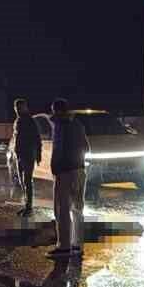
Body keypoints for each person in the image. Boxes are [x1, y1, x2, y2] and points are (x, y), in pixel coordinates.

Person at [49, 99, 89, 257]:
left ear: (57, 110)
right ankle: (77, 244)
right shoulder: (78, 124)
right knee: (77, 208)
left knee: (62, 209)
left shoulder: (60, 125)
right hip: (79, 170)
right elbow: (86, 147)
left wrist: (55, 168)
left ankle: (64, 246)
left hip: (64, 171)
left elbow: (58, 149)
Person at [11, 99, 42, 215]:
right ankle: (27, 205)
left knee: (27, 181)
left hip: (28, 154)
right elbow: (16, 138)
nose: (18, 109)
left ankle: (29, 207)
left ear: (25, 107)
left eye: (20, 107)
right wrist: (15, 153)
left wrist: (38, 154)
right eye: (16, 107)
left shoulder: (30, 121)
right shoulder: (18, 121)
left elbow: (37, 138)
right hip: (20, 155)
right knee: (22, 181)